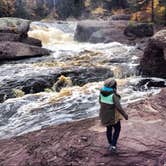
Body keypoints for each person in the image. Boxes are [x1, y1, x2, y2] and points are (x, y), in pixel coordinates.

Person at [99, 78, 128, 153]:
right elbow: (119, 107)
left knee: (109, 129)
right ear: (114, 86)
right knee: (117, 129)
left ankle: (110, 143)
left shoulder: (101, 93)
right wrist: (125, 115)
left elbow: (100, 102)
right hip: (113, 116)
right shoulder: (113, 95)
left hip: (104, 115)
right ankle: (113, 145)